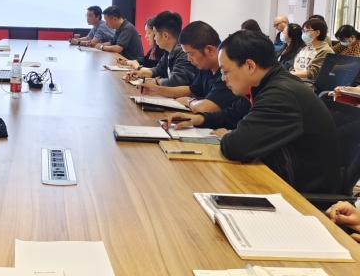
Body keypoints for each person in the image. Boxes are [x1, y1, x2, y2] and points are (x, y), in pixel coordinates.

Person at [166, 30, 339, 194]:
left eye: (225, 71)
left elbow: (236, 147)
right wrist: (198, 119)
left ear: (249, 66)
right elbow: (231, 115)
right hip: (277, 177)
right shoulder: (263, 85)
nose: (223, 78)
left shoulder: (280, 95)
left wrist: (228, 135)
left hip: (300, 195)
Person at [139, 21, 241, 113]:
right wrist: (156, 89)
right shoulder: (206, 68)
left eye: (191, 54)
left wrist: (188, 101)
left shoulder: (227, 75)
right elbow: (191, 91)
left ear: (210, 50)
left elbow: (206, 107)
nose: (188, 59)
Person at [126, 11, 197, 87]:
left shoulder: (184, 53)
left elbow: (175, 82)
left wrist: (157, 80)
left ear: (165, 36)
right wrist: (140, 73)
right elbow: (158, 70)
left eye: (155, 34)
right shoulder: (168, 51)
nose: (154, 38)